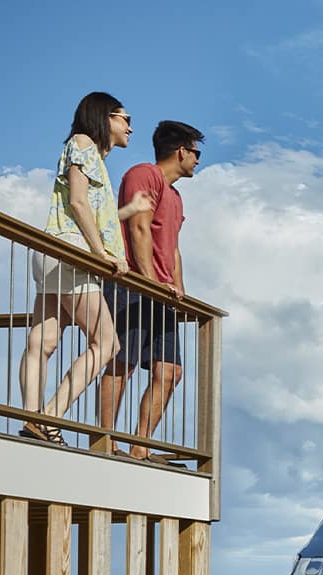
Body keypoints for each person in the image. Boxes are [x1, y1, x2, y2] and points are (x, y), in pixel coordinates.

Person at [18, 92, 153, 445]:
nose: (130, 128)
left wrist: (126, 211)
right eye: (126, 119)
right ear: (104, 117)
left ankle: (32, 416)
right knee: (106, 344)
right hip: (74, 255)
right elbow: (78, 201)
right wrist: (102, 255)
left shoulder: (87, 154)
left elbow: (89, 212)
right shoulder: (82, 144)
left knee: (43, 340)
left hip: (54, 251)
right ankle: (49, 415)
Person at [99, 120, 204, 464]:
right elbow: (138, 227)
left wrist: (180, 290)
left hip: (161, 294)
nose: (198, 160)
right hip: (133, 284)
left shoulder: (175, 196)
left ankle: (140, 447)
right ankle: (106, 440)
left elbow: (172, 247)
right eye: (196, 152)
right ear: (181, 151)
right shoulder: (144, 174)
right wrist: (148, 282)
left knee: (170, 371)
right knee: (123, 362)